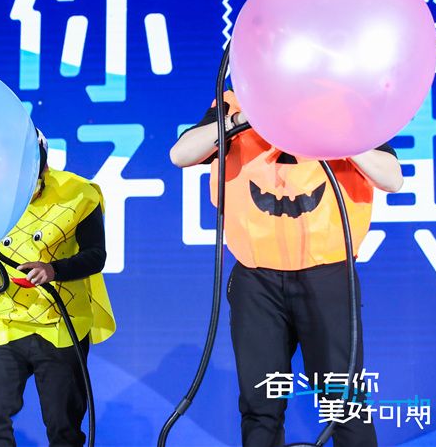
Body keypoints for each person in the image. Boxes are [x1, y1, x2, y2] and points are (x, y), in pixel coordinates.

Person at [170, 90, 403, 447]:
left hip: (327, 276)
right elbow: (180, 154)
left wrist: (337, 135)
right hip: (256, 280)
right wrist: (241, 121)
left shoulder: (345, 102)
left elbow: (392, 178)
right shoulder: (237, 102)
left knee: (344, 404)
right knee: (259, 405)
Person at [0, 130, 115, 447]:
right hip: (6, 320)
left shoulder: (79, 195)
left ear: (43, 166)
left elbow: (95, 255)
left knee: (64, 428)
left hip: (61, 323)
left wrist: (54, 270)